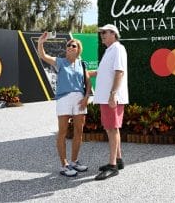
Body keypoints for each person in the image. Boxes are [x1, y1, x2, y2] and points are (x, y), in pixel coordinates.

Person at [37, 32, 91, 177]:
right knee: (63, 132)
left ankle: (74, 161)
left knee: (79, 131)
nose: (69, 47)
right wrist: (41, 42)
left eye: (73, 45)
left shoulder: (82, 64)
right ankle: (64, 165)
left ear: (78, 49)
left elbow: (87, 82)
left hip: (80, 99)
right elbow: (43, 56)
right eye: (68, 45)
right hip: (64, 99)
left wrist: (86, 97)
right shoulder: (60, 62)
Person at [93, 24, 128, 181]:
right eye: (101, 33)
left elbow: (119, 72)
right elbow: (101, 73)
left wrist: (113, 94)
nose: (102, 35)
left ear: (114, 34)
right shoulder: (109, 50)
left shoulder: (118, 49)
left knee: (111, 129)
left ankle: (112, 165)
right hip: (106, 98)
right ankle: (118, 160)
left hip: (111, 98)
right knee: (112, 129)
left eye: (104, 33)